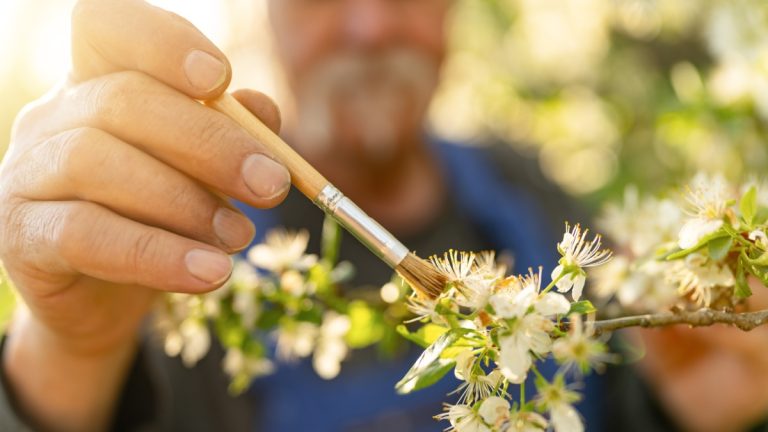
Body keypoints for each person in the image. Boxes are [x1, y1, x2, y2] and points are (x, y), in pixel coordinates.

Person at [2, 1, 768, 431]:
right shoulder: (179, 243)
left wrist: (681, 412)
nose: (369, 24)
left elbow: (616, 398)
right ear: (264, 15)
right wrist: (72, 348)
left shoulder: (526, 188)